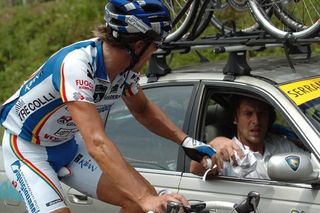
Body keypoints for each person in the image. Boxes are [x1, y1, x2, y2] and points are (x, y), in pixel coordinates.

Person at [0, 1, 217, 212]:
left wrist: (185, 141)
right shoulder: (77, 65)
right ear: (139, 45)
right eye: (155, 46)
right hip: (28, 150)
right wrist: (145, 198)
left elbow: (142, 109)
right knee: (143, 198)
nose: (154, 53)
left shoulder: (125, 71)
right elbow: (96, 142)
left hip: (68, 145)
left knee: (139, 202)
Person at [191, 96, 308, 179]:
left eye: (261, 114)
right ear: (235, 118)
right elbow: (195, 170)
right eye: (248, 114)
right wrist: (212, 145)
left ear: (269, 118)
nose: (256, 121)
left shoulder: (281, 145)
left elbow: (312, 164)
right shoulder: (226, 152)